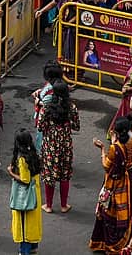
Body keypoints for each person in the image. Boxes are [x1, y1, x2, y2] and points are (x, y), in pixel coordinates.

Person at [90, 118, 132, 252]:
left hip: (115, 183)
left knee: (108, 212)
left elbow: (107, 166)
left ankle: (109, 244)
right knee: (124, 211)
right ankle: (122, 241)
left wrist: (102, 150)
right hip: (129, 181)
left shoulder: (114, 148)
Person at [36, 80, 79, 214]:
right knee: (64, 175)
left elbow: (40, 127)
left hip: (50, 146)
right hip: (65, 146)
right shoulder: (72, 108)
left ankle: (48, 205)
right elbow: (76, 126)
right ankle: (64, 205)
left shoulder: (47, 108)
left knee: (49, 175)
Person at [9, 130, 43, 255]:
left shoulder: (22, 159)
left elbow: (25, 179)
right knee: (33, 224)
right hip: (35, 195)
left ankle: (25, 252)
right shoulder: (34, 154)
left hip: (25, 198)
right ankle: (33, 248)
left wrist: (11, 173)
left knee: (24, 227)